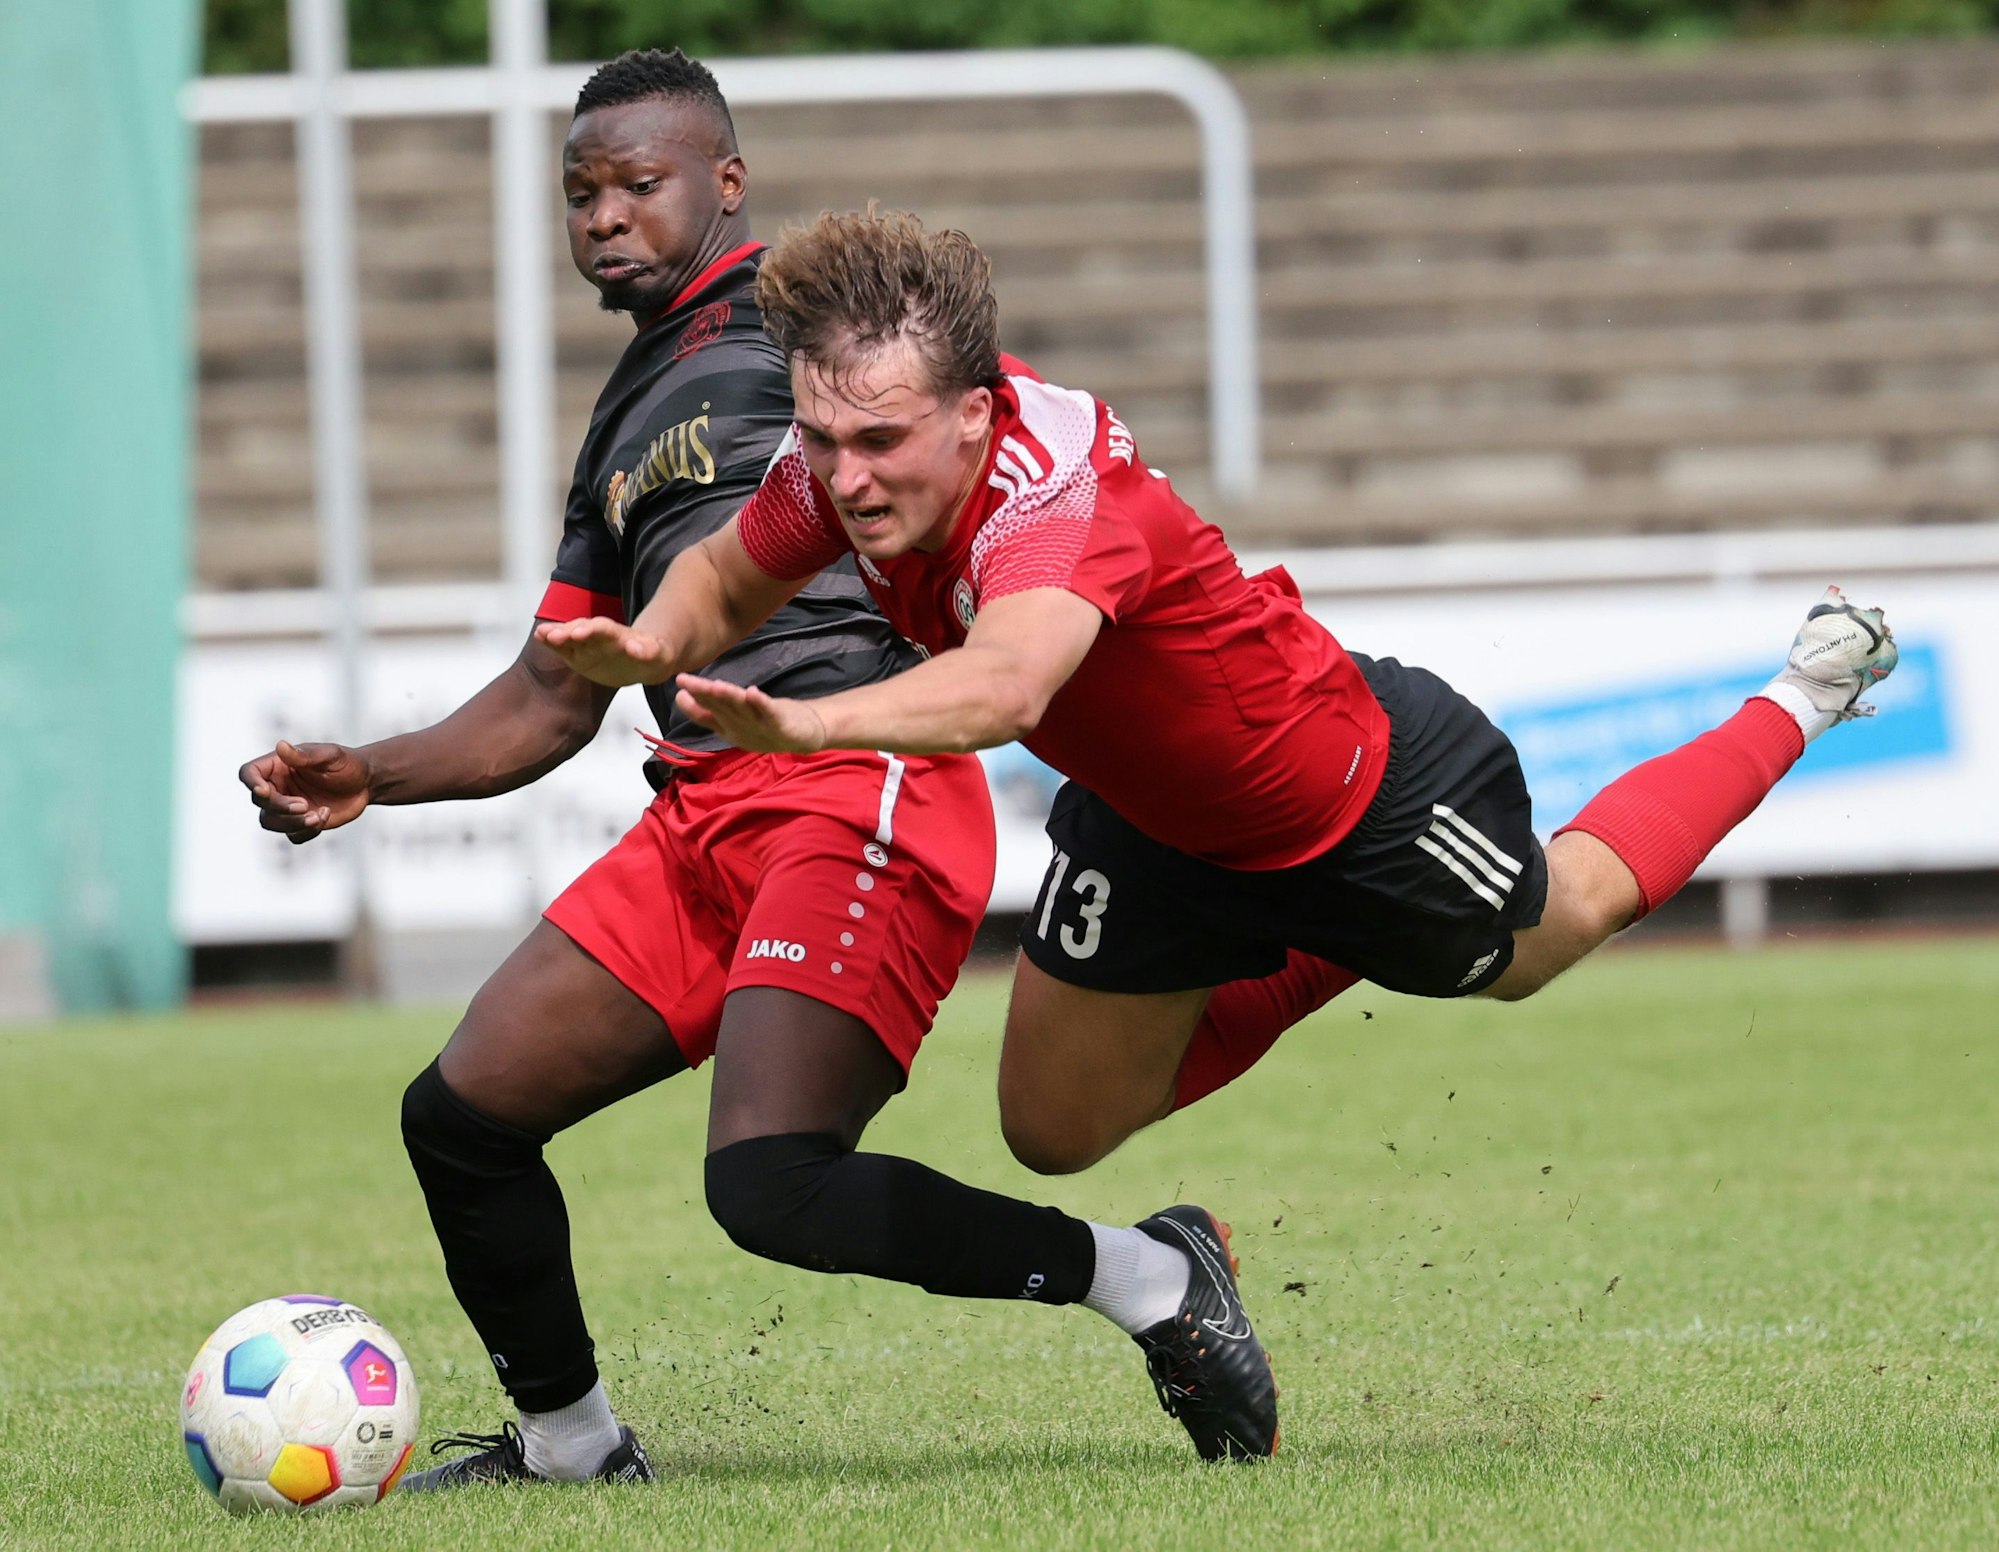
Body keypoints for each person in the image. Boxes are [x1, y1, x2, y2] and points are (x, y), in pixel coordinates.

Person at [238, 52, 1282, 1482]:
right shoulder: (623, 421)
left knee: (769, 1182)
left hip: (857, 781)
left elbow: (951, 409)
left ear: (726, 184)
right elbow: (555, 694)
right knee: (463, 1116)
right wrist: (373, 771)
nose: (606, 215)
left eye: (639, 183)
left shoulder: (804, 337)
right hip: (701, 808)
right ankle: (570, 1446)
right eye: (581, 193)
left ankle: (1150, 1277)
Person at [539, 205, 1900, 1189]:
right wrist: (647, 642)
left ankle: (1807, 688)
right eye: (823, 437)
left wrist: (813, 725)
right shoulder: (843, 465)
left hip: (1359, 799)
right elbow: (723, 578)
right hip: (1157, 826)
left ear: (977, 411)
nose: (844, 476)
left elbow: (1008, 684)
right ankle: (1299, 939)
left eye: (878, 441)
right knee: (1052, 1134)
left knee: (1560, 926)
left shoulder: (1055, 492)